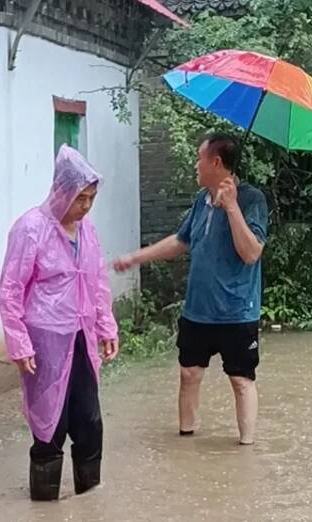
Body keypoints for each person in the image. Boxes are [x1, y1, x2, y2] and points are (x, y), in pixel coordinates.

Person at [114, 133, 268, 445]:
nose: (195, 166)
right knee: (188, 375)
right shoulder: (201, 200)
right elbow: (181, 241)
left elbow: (251, 253)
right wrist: (136, 257)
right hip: (198, 309)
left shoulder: (252, 200)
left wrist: (233, 208)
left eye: (199, 159)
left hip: (237, 312)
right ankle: (185, 442)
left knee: (241, 380)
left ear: (216, 162)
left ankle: (247, 449)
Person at [0, 145, 119, 501]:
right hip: (45, 340)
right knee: (50, 423)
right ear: (62, 191)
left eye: (91, 198)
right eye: (80, 198)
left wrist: (106, 326)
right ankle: (46, 502)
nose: (85, 206)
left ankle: (89, 498)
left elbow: (96, 280)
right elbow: (10, 289)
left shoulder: (87, 230)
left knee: (89, 420)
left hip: (82, 336)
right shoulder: (30, 229)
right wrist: (18, 342)